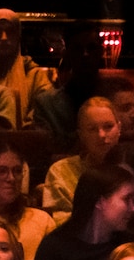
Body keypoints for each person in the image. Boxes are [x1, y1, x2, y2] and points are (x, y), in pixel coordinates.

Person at [0, 9, 55, 128]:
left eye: (10, 32)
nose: (4, 38)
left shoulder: (36, 77)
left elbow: (44, 112)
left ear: (18, 35)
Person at [43, 96, 122, 224]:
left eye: (108, 126)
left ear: (119, 128)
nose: (101, 135)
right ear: (81, 135)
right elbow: (59, 222)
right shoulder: (61, 171)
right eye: (92, 129)